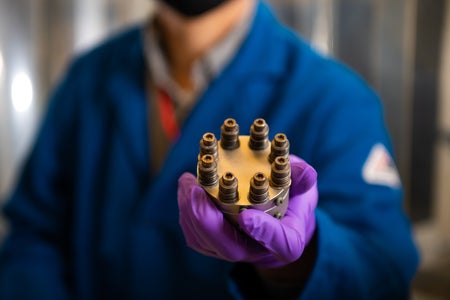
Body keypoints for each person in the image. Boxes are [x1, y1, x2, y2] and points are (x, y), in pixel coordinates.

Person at [0, 0, 419, 299]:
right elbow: (35, 234)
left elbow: (382, 275)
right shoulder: (87, 78)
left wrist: (297, 262)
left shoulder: (335, 99)